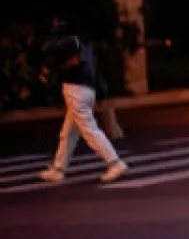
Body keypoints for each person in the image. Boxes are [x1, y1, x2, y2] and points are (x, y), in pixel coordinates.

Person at [37, 16, 129, 184]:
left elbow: (49, 50)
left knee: (89, 129)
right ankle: (58, 169)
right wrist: (101, 94)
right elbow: (94, 70)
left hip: (76, 89)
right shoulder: (86, 45)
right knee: (69, 133)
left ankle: (115, 162)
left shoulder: (69, 42)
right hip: (87, 89)